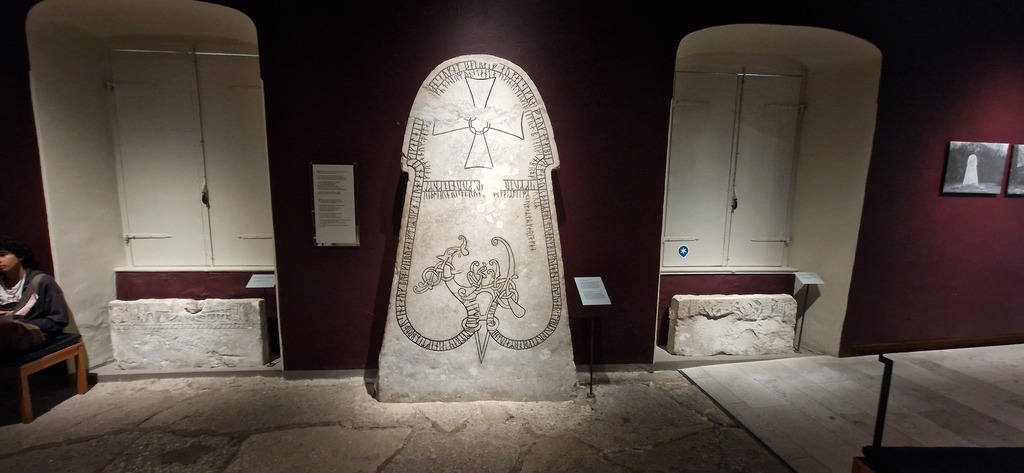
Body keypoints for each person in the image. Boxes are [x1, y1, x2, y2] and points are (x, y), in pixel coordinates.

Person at [0, 237, 71, 350]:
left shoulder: (42, 282)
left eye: (3, 255)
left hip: (34, 335)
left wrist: (22, 324)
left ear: (20, 256)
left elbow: (59, 319)